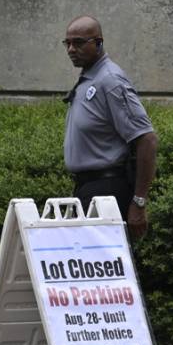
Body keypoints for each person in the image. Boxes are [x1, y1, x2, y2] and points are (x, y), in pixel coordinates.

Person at [62, 16, 158, 238]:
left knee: (108, 258)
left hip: (108, 190)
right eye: (67, 43)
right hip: (87, 189)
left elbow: (147, 139)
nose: (71, 49)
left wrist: (139, 201)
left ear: (98, 43)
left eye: (78, 43)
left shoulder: (110, 80)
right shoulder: (90, 78)